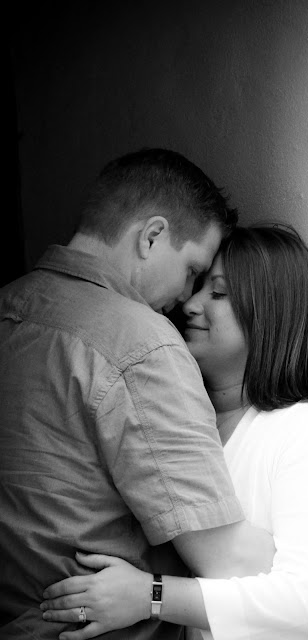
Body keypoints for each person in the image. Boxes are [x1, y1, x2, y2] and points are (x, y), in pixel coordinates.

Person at [0, 149, 278, 640]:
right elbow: (228, 560)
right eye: (192, 271)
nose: (186, 299)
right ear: (151, 236)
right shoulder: (142, 343)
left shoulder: (9, 304)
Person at [40, 225, 308, 640]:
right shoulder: (176, 423)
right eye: (197, 287)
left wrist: (151, 596)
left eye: (219, 292)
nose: (190, 305)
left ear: (271, 313)